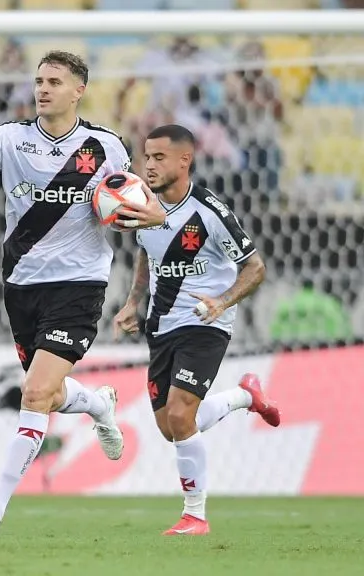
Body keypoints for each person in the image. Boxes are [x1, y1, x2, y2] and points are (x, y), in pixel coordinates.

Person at [0, 50, 167, 543]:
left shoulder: (106, 147)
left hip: (80, 286)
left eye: (54, 81)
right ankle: (97, 405)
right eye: (38, 81)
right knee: (44, 390)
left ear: (78, 90)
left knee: (32, 393)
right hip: (22, 286)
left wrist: (148, 218)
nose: (43, 88)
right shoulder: (7, 139)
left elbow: (149, 210)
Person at [113, 124, 280, 536]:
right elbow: (145, 255)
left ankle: (195, 516)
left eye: (159, 158)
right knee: (171, 427)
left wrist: (222, 301)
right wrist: (135, 301)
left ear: (184, 160)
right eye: (146, 157)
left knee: (180, 413)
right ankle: (245, 395)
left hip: (206, 322)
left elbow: (255, 268)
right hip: (162, 324)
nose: (148, 165)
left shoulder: (209, 211)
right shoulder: (140, 203)